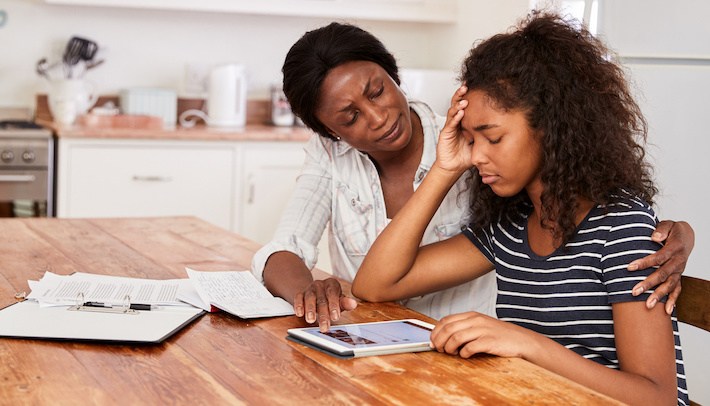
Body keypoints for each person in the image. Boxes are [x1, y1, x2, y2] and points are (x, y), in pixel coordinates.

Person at [251, 21, 695, 333]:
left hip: (473, 351)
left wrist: (678, 234)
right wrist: (308, 293)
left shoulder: (477, 137)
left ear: (393, 74)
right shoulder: (499, 215)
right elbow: (307, 256)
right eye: (350, 116)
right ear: (332, 132)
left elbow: (592, 211)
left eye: (378, 90)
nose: (378, 116)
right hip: (398, 348)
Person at [352, 12, 688, 404]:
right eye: (469, 139)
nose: (476, 156)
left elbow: (658, 397)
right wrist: (444, 169)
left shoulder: (620, 226)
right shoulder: (510, 227)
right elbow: (375, 285)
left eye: (492, 138)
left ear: (550, 126)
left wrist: (526, 344)